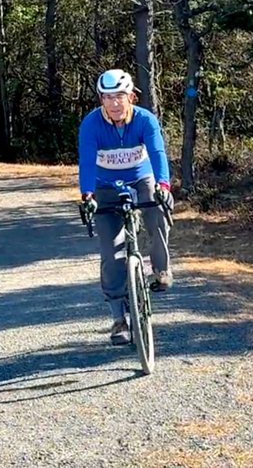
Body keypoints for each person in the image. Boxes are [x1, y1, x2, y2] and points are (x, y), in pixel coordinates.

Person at [77, 69, 174, 346]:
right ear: (101, 100)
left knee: (157, 216)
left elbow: (157, 153)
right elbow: (85, 161)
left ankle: (161, 269)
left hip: (141, 178)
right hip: (105, 186)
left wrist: (163, 187)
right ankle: (119, 318)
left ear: (131, 96)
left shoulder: (145, 120)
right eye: (108, 98)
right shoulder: (91, 124)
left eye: (120, 96)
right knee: (111, 252)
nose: (115, 103)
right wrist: (87, 195)